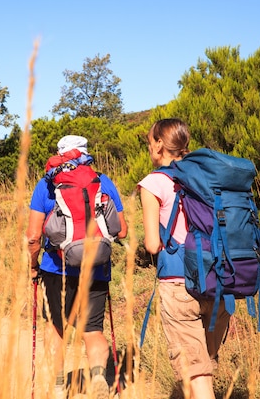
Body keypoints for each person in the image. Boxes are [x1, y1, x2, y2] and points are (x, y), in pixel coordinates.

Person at [26, 135, 128, 399]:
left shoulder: (46, 185)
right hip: (96, 268)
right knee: (93, 330)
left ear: (60, 154)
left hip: (55, 271)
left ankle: (59, 387)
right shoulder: (102, 181)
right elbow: (123, 230)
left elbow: (33, 236)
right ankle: (97, 378)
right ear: (85, 153)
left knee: (56, 329)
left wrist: (33, 266)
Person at [138, 118, 231, 399]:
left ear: (158, 145)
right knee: (205, 361)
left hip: (179, 285)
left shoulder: (154, 182)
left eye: (149, 142)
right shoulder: (208, 176)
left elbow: (153, 244)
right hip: (219, 281)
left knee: (197, 373)